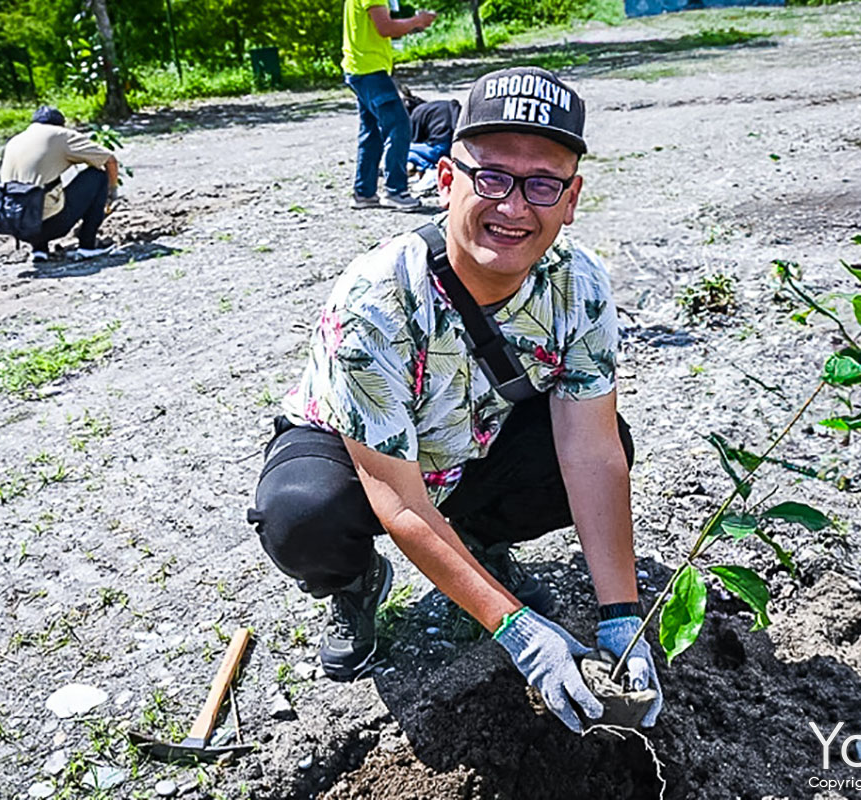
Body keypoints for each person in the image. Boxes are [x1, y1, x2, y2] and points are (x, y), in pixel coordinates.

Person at [248, 66, 663, 734]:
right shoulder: (376, 299)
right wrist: (520, 631)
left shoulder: (579, 285)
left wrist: (621, 614)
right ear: (447, 181)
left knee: (611, 442)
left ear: (572, 197)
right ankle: (353, 586)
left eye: (542, 184)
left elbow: (590, 449)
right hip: (362, 461)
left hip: (468, 447)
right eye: (491, 177)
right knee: (301, 516)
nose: (514, 206)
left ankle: (480, 544)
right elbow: (399, 499)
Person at [341, 0, 436, 211]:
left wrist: (411, 24)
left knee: (372, 131)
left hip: (360, 69)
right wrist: (416, 20)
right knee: (399, 125)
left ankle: (364, 193)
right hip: (370, 71)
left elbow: (381, 28)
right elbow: (385, 28)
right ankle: (396, 191)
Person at [0, 106, 119, 262]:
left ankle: (39, 250)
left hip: (15, 225)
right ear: (61, 124)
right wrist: (113, 190)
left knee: (38, 184)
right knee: (97, 176)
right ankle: (88, 246)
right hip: (51, 226)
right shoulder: (61, 135)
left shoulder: (15, 140)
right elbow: (109, 159)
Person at [407, 98, 460, 175]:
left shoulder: (417, 112)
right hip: (455, 146)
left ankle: (428, 166)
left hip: (439, 149)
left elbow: (415, 139)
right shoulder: (435, 106)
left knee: (403, 149)